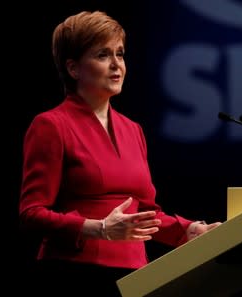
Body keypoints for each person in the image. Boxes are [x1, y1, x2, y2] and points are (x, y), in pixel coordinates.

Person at [18, 10, 221, 296]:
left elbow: (145, 214)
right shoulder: (51, 125)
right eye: (102, 55)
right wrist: (99, 228)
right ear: (74, 68)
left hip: (137, 277)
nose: (117, 65)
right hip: (73, 273)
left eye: (120, 54)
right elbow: (32, 214)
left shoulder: (133, 129)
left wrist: (185, 231)